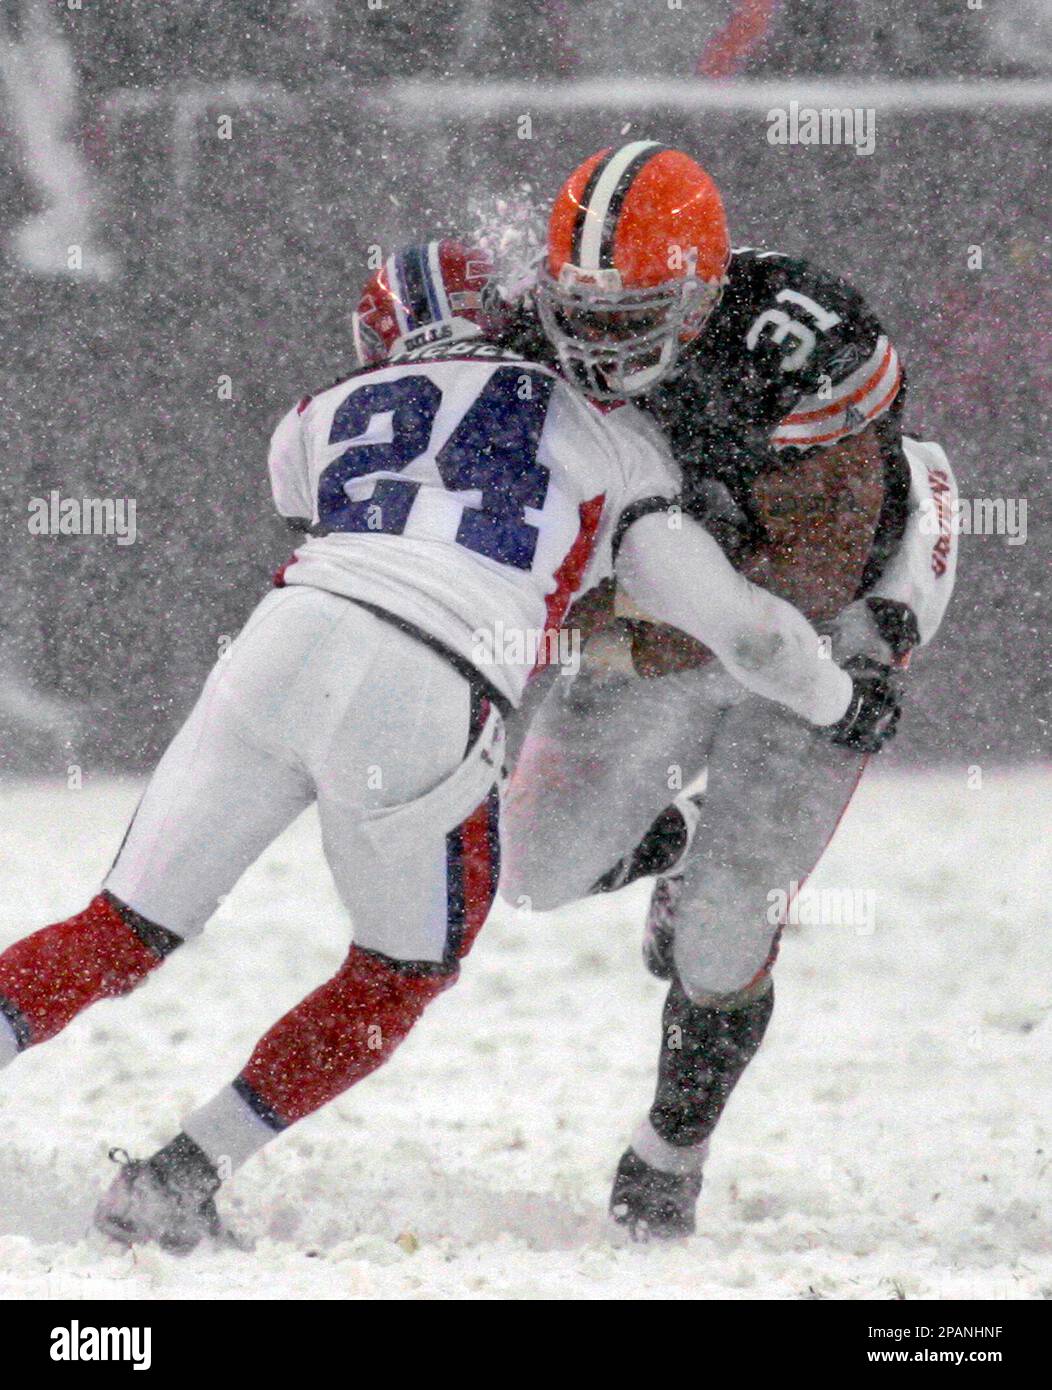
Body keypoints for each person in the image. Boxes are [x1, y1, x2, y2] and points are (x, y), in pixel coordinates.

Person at [0, 237, 871, 1251]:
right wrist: (833, 694)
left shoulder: (319, 412)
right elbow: (752, 633)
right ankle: (178, 1177)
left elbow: (328, 493)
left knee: (120, 928)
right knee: (398, 971)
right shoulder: (615, 442)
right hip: (426, 680)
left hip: (282, 642)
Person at [499, 142, 959, 1238]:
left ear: (702, 290)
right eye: (584, 313)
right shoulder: (534, 337)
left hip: (831, 619)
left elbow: (805, 579)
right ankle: (676, 837)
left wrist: (671, 619)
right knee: (527, 869)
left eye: (637, 313)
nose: (601, 343)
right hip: (681, 616)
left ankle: (669, 1151)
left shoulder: (800, 345)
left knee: (719, 935)